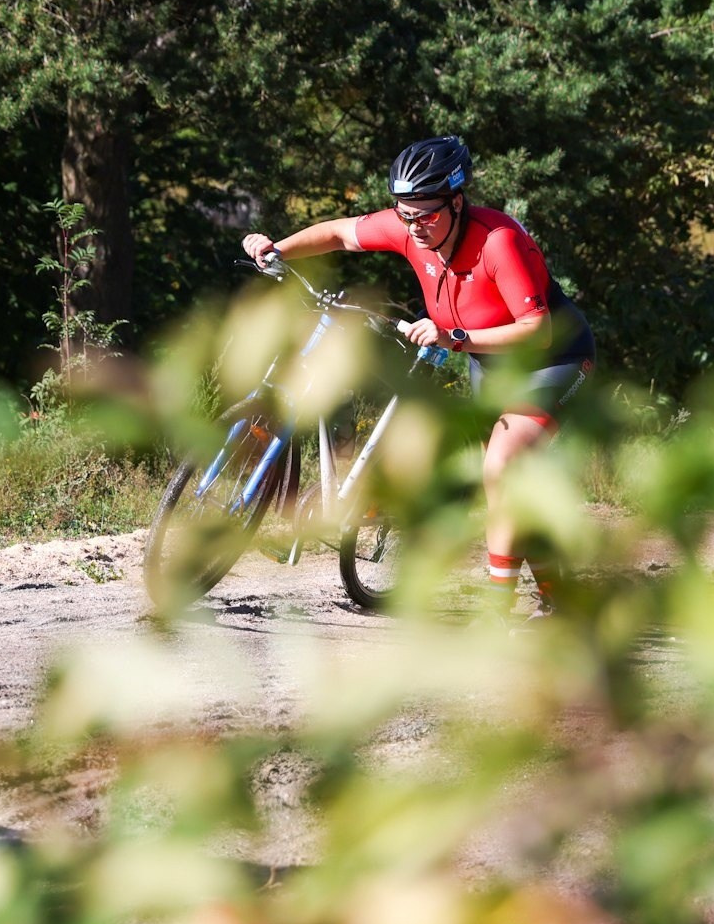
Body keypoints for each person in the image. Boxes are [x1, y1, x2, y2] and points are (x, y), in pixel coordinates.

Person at [241, 135, 595, 611]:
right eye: (405, 215)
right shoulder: (411, 225)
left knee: (502, 467)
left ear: (457, 200)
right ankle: (559, 597)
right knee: (506, 484)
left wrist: (456, 338)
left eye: (427, 214)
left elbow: (538, 330)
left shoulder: (499, 242)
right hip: (487, 359)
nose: (415, 226)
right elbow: (341, 234)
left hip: (555, 358)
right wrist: (275, 248)